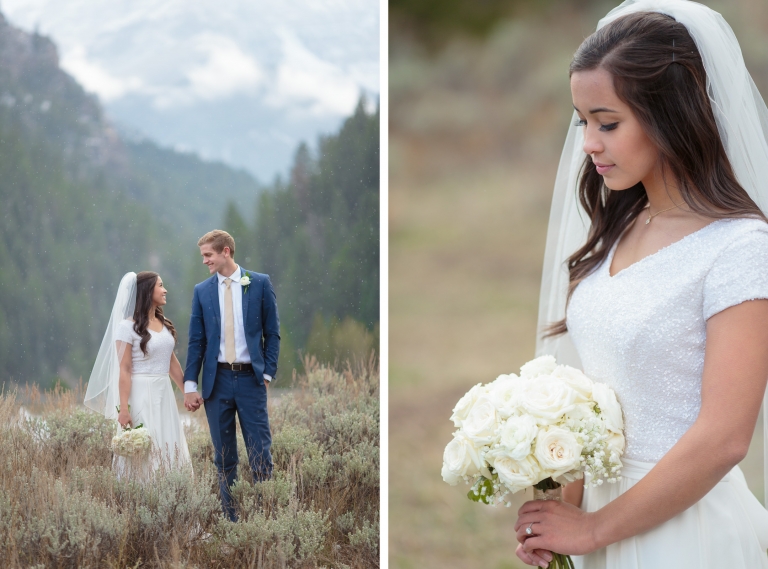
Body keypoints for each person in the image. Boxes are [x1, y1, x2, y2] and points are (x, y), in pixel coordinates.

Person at [515, 1, 768, 568]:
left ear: (670, 115)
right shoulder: (621, 225)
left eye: (608, 123)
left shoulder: (741, 247)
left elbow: (726, 437)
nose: (589, 145)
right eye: (584, 122)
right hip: (598, 525)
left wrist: (594, 529)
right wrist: (560, 515)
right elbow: (590, 394)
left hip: (683, 531)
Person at [183, 229, 280, 521]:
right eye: (203, 256)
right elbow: (196, 341)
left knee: (260, 454)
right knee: (224, 458)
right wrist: (190, 384)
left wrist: (267, 375)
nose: (204, 261)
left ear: (226, 251)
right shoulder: (202, 291)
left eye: (208, 255)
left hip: (252, 380)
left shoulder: (259, 283)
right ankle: (232, 523)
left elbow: (272, 334)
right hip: (217, 383)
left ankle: (266, 521)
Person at [84, 271, 191, 480]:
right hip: (141, 393)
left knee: (168, 442)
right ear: (146, 291)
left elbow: (171, 362)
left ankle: (172, 490)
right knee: (147, 447)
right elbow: (124, 369)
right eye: (160, 285)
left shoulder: (164, 322)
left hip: (164, 392)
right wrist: (124, 409)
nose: (165, 289)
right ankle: (141, 495)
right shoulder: (126, 327)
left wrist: (188, 392)